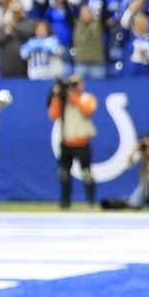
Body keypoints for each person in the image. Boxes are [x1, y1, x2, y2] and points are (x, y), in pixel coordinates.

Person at [48, 73, 98, 208]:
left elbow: (88, 111)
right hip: (66, 141)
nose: (73, 87)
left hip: (82, 141)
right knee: (63, 173)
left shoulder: (88, 97)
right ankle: (64, 202)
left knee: (86, 173)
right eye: (71, 84)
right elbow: (54, 115)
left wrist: (73, 97)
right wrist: (57, 96)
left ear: (82, 84)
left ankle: (90, 201)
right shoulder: (63, 100)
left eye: (76, 84)